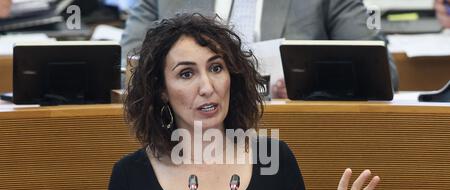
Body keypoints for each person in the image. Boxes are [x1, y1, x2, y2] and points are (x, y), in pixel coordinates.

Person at [59, 13, 382, 190]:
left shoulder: (272, 158)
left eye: (216, 68)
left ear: (233, 76)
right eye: (186, 74)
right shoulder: (132, 174)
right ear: (161, 89)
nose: (207, 86)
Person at [119, 0, 399, 98]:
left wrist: (313, 87)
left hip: (296, 133)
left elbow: (382, 72)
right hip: (187, 135)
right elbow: (128, 67)